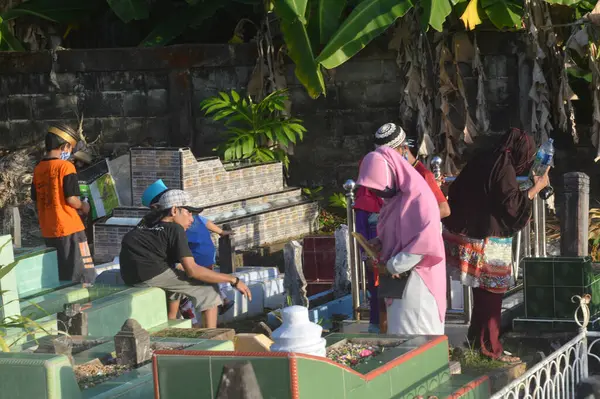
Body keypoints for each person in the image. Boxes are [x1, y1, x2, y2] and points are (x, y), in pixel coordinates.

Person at [443, 128, 550, 363]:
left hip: (469, 234)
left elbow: (465, 191)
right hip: (488, 239)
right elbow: (511, 206)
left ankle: (475, 342)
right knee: (492, 294)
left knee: (482, 292)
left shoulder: (483, 159)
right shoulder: (504, 167)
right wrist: (535, 189)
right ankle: (490, 349)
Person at [119, 189, 252, 328]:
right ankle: (211, 341)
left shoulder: (146, 225)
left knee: (176, 278)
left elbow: (177, 265)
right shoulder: (175, 229)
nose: (191, 219)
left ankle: (171, 323)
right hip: (151, 274)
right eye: (188, 212)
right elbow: (192, 270)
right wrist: (233, 279)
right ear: (174, 210)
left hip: (130, 276)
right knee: (209, 290)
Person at [357, 146, 447, 335]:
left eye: (380, 187)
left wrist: (392, 266)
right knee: (399, 334)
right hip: (398, 281)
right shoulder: (396, 199)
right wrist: (379, 242)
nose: (379, 193)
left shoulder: (420, 198)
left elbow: (425, 243)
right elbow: (397, 231)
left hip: (418, 281)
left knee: (416, 336)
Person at [142, 180, 235, 319]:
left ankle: (190, 320)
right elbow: (206, 222)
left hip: (194, 257)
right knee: (207, 281)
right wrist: (221, 232)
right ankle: (222, 302)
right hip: (206, 253)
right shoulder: (188, 214)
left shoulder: (172, 226)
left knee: (184, 289)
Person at [31, 123, 95, 284]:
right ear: (65, 146)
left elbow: (35, 197)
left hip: (49, 230)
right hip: (70, 228)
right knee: (83, 276)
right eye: (70, 148)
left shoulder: (38, 168)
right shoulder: (66, 167)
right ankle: (83, 307)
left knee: (61, 275)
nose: (70, 152)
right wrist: (84, 206)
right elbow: (71, 199)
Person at [373, 123, 450, 219]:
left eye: (390, 156)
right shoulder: (395, 176)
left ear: (404, 148)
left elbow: (443, 209)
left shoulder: (422, 175)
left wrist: (409, 221)